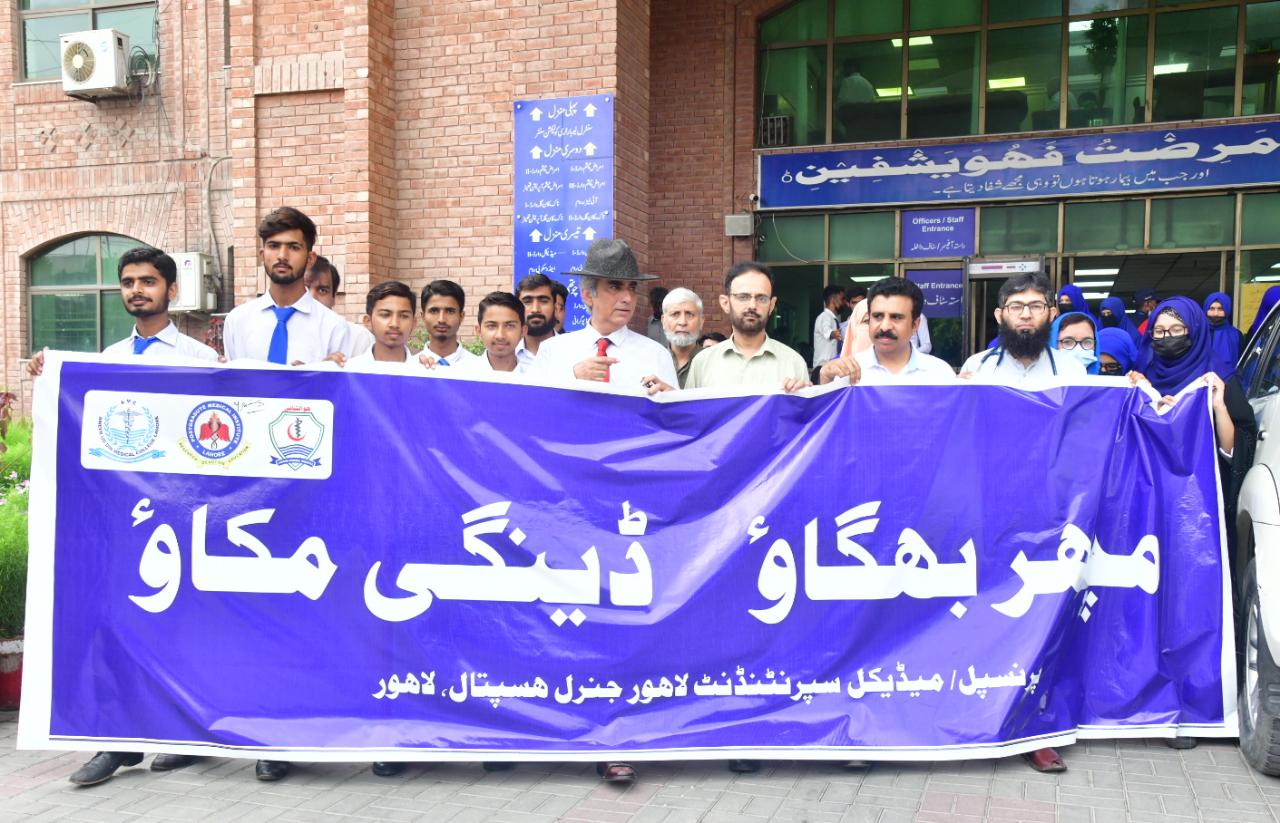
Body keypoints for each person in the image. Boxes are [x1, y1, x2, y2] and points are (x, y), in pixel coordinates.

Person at [28, 248, 212, 784]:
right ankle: (119, 742)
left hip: (182, 519)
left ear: (171, 291)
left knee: (181, 629)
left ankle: (181, 736)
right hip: (124, 519)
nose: (137, 290)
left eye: (148, 281)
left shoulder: (202, 359)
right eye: (128, 282)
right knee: (120, 627)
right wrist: (49, 375)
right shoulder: (108, 357)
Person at [529, 238, 677, 399]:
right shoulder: (553, 351)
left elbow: (674, 413)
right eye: (615, 287)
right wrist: (571, 378)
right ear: (588, 295)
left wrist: (672, 401)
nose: (628, 298)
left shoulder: (656, 355)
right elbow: (532, 405)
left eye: (632, 287)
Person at [688, 262, 855, 393]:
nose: (752, 305)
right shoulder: (702, 363)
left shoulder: (794, 363)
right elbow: (691, 420)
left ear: (772, 305)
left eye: (761, 298)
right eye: (743, 297)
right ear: (725, 303)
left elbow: (803, 422)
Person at [223, 207, 350, 367]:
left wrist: (315, 377)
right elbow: (231, 382)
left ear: (310, 259)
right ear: (262, 255)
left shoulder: (333, 327)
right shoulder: (237, 320)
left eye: (294, 247)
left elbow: (340, 382)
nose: (282, 256)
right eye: (274, 246)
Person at [960, 273, 1088, 385]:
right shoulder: (976, 367)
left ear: (1051, 315)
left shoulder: (1072, 370)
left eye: (1036, 306)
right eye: (1016, 307)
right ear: (999, 316)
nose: (1026, 315)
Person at [853, 277, 955, 383]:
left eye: (896, 317)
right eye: (878, 316)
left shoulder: (939, 374)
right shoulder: (850, 373)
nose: (885, 327)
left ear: (915, 325)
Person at [307, 255, 374, 357]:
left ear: (333, 297)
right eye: (304, 289)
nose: (312, 298)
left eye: (322, 290)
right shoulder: (281, 333)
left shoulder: (358, 338)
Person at [346, 281, 419, 369]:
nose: (394, 324)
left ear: (413, 323)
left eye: (403, 316)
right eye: (385, 315)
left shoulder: (426, 373)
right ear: (368, 321)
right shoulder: (348, 371)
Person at [462, 291, 535, 374]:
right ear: (478, 331)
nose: (500, 335)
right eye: (491, 326)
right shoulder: (461, 375)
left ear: (523, 331)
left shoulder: (536, 377)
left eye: (510, 326)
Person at [418, 280, 476, 368]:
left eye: (450, 311)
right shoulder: (408, 368)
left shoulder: (480, 369)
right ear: (423, 316)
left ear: (461, 316)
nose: (441, 320)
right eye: (434, 311)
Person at [662, 287, 705, 388]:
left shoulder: (713, 362)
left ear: (701, 321)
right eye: (675, 314)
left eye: (689, 314)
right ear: (663, 321)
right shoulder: (652, 360)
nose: (682, 322)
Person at [515, 273, 558, 355]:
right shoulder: (505, 355)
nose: (535, 309)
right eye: (527, 302)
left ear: (555, 307)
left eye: (543, 301)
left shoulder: (574, 351)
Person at [1203, 292, 1243, 379]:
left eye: (1220, 309)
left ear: (1227, 310)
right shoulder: (1198, 333)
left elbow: (1241, 364)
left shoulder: (1236, 335)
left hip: (1228, 383)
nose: (1216, 313)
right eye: (1212, 309)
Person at [813, 284, 846, 373]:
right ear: (833, 299)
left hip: (832, 368)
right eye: (842, 299)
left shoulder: (834, 319)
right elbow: (828, 333)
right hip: (822, 368)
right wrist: (835, 334)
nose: (844, 302)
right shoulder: (824, 317)